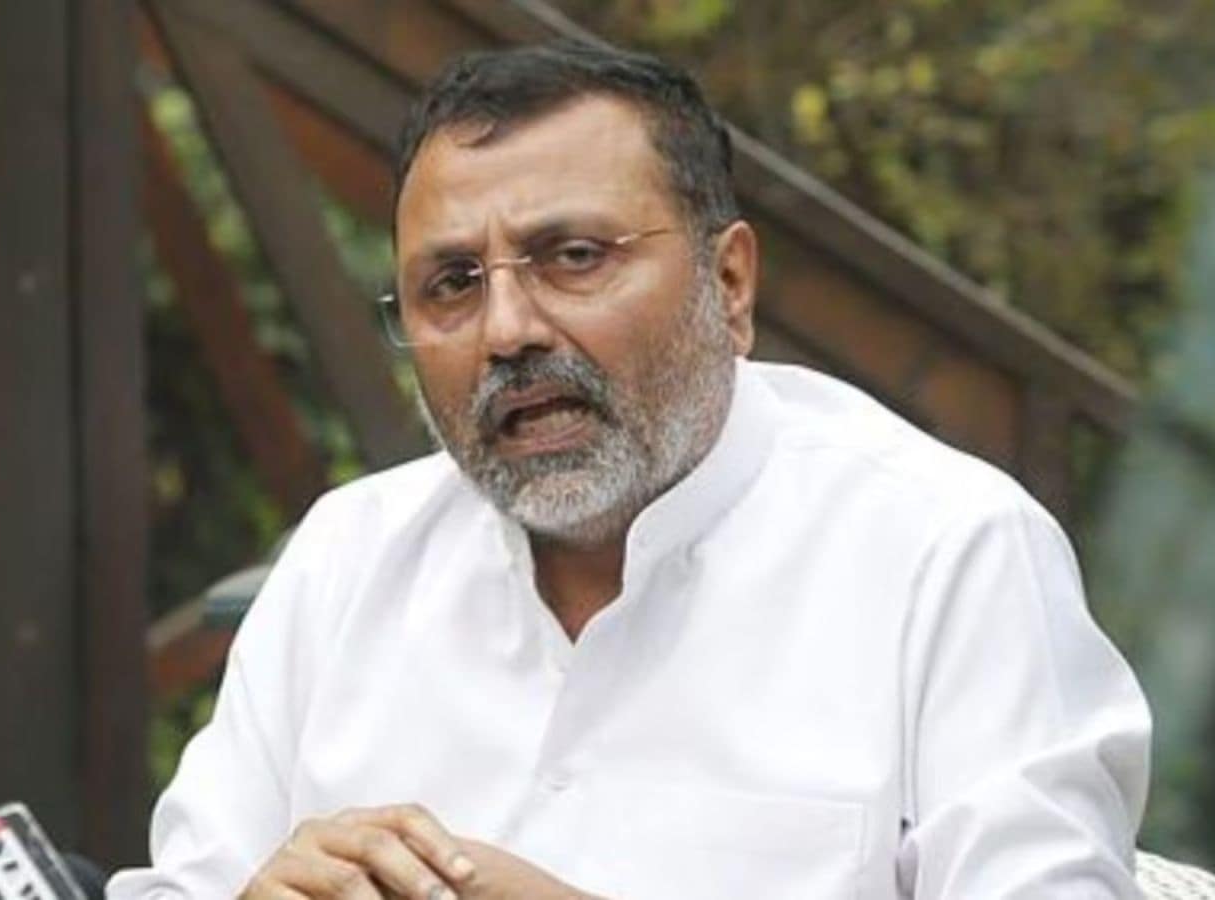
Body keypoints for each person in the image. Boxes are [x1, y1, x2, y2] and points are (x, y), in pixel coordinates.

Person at [108, 39, 1150, 899]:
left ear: (727, 283)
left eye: (574, 258)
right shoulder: (347, 559)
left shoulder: (947, 553)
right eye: (452, 283)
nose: (507, 331)